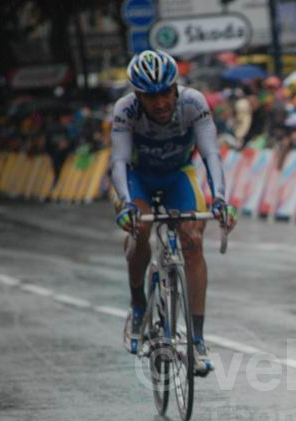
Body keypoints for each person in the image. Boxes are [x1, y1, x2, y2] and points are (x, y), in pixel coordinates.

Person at [110, 50, 236, 373]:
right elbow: (120, 162)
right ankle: (139, 306)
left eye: (166, 92)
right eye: (151, 96)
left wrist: (219, 198)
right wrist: (126, 204)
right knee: (140, 231)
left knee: (192, 240)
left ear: (176, 88)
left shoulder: (194, 104)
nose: (161, 102)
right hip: (138, 179)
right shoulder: (125, 111)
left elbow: (210, 154)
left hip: (178, 176)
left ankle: (196, 339)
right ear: (138, 95)